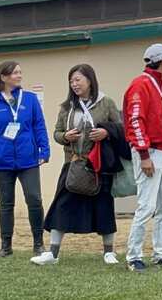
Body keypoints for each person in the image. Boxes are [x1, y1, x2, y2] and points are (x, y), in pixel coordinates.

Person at [31, 64, 129, 266]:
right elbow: (57, 133)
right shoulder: (67, 107)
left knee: (104, 207)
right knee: (62, 206)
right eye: (71, 81)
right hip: (73, 164)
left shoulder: (106, 102)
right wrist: (65, 136)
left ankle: (109, 252)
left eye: (78, 80)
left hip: (99, 165)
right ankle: (53, 253)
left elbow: (121, 129)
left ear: (90, 80)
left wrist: (106, 133)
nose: (74, 84)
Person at [0, 60, 50, 258]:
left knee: (34, 199)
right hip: (2, 162)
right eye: (15, 73)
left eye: (20, 72)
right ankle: (6, 247)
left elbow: (39, 126)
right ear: (3, 77)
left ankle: (38, 244)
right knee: (6, 204)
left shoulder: (30, 99)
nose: (19, 76)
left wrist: (44, 151)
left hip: (28, 160)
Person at [122, 44, 162, 272]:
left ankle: (161, 253)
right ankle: (134, 255)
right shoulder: (142, 84)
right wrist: (144, 154)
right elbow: (135, 120)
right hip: (151, 151)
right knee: (146, 205)